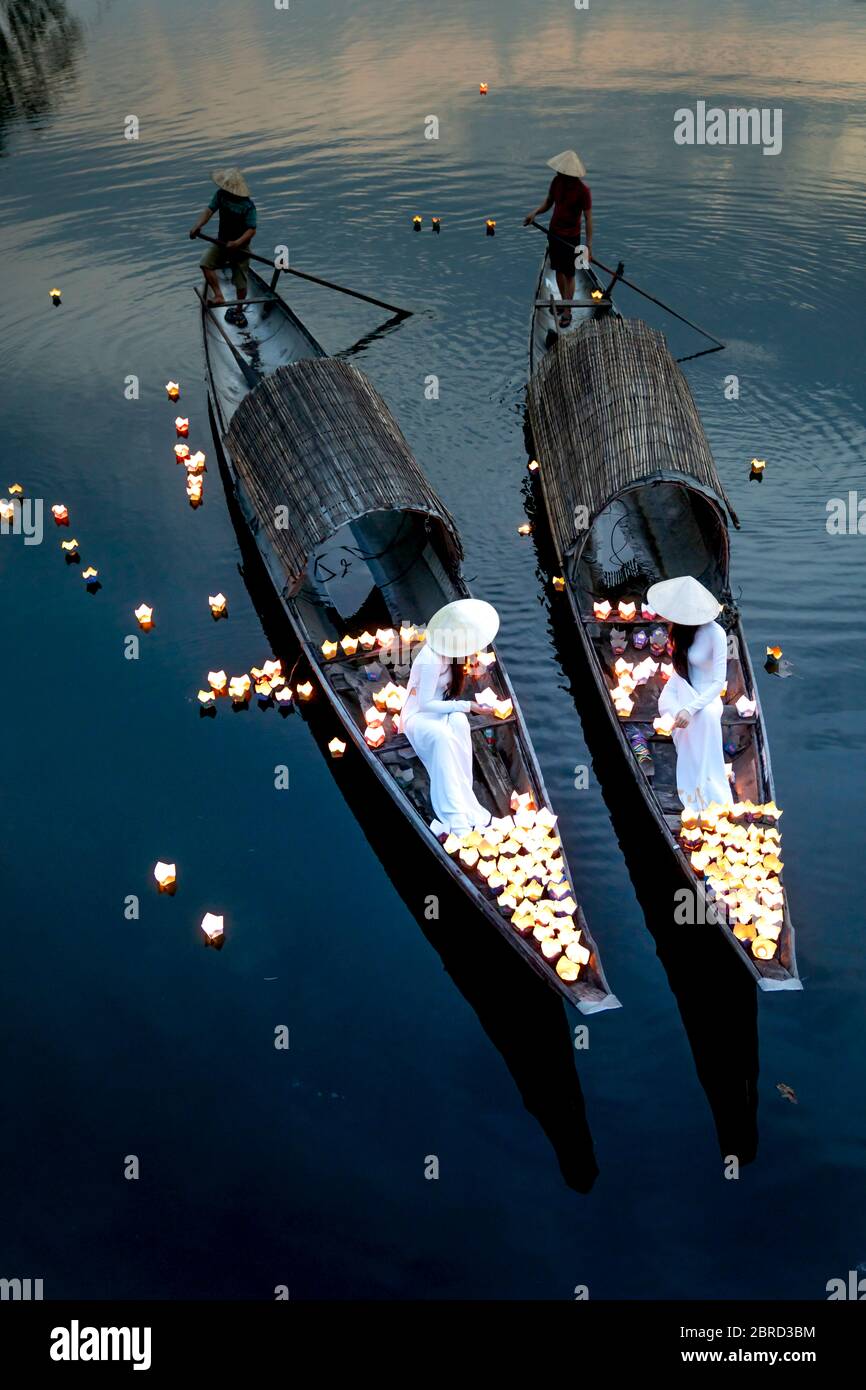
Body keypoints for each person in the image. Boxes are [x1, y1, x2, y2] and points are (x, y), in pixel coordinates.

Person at [402, 599, 499, 835]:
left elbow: (449, 700)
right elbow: (425, 704)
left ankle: (465, 795)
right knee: (443, 737)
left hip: (441, 709)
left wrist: (462, 709)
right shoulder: (430, 659)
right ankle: (453, 811)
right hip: (419, 716)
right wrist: (468, 705)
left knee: (459, 722)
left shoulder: (455, 656)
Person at [650, 576, 733, 812]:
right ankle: (688, 746)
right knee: (671, 708)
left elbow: (718, 682)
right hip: (680, 686)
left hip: (706, 696)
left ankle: (706, 784)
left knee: (705, 717)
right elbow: (679, 671)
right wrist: (681, 707)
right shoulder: (679, 629)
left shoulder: (715, 633)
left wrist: (691, 708)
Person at [524, 150, 592, 327]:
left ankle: (567, 310)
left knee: (570, 273)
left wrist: (588, 246)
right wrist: (535, 213)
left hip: (571, 237)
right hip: (554, 233)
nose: (558, 174)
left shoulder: (583, 191)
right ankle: (563, 303)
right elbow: (548, 202)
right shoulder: (556, 183)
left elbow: (588, 218)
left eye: (562, 172)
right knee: (558, 271)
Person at [189, 167, 257, 326]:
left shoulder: (247, 206)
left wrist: (237, 243)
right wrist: (197, 226)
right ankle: (219, 295)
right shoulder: (221, 196)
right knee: (205, 263)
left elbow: (251, 230)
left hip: (240, 247)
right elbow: (209, 210)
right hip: (222, 242)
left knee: (241, 282)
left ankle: (239, 310)